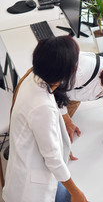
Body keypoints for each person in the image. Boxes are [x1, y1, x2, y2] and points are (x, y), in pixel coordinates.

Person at [3, 36, 87, 202]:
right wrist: (76, 193)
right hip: (31, 189)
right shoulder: (42, 106)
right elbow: (53, 159)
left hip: (26, 166)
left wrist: (62, 143)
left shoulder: (34, 77)